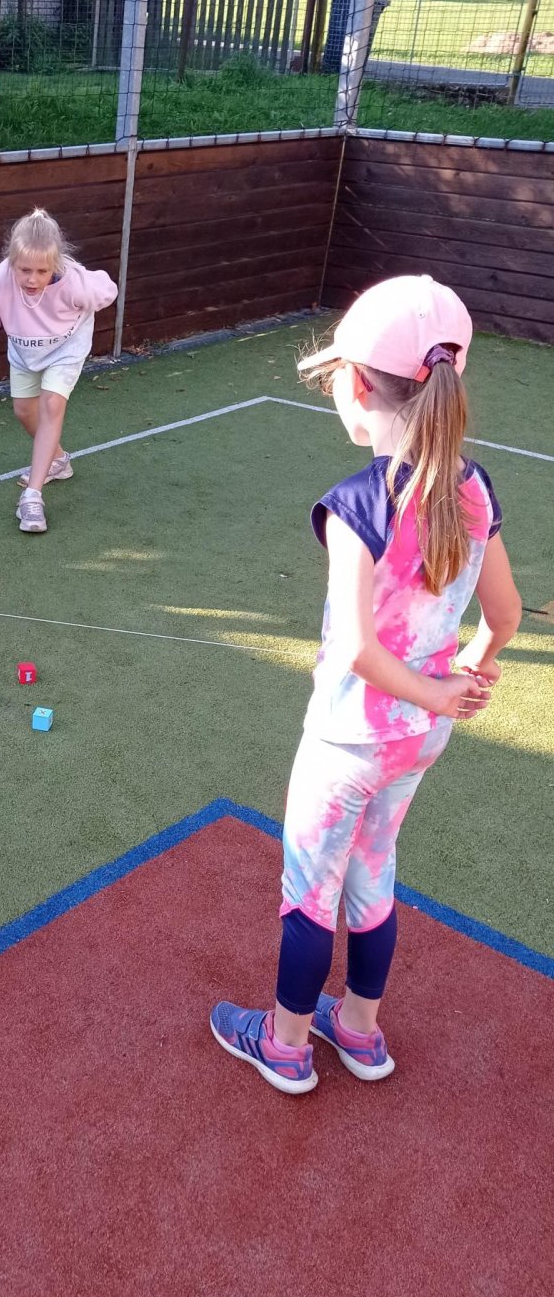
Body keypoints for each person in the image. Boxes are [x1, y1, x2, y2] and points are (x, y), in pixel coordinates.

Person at [210, 275, 523, 1094]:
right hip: (419, 740)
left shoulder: (359, 503)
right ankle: (358, 1028)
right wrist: (465, 670)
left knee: (310, 891)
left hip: (349, 740)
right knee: (374, 874)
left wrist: (437, 691)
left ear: (355, 386)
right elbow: (505, 614)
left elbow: (354, 647)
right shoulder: (474, 488)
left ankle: (285, 1044)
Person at [0, 208, 117, 535]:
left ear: (55, 264)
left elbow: (107, 290)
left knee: (51, 404)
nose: (32, 279)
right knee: (24, 411)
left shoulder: (75, 282)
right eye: (24, 270)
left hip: (67, 349)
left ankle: (32, 497)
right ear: (11, 261)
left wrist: (89, 296)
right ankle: (58, 460)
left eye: (42, 271)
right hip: (26, 351)